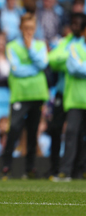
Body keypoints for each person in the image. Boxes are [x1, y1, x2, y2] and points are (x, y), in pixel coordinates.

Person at [1, 12, 49, 180]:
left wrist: (30, 50)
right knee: (14, 129)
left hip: (37, 93)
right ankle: (6, 166)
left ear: (35, 29)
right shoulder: (12, 46)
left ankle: (30, 167)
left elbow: (43, 63)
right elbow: (16, 70)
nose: (29, 31)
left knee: (33, 131)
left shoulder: (40, 45)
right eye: (26, 27)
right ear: (20, 28)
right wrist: (34, 69)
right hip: (20, 94)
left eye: (31, 28)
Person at [47, 13, 84, 178]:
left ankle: (79, 170)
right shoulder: (68, 43)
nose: (74, 27)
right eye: (73, 23)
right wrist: (71, 62)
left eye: (78, 24)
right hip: (70, 95)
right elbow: (53, 59)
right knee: (64, 131)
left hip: (77, 96)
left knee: (78, 134)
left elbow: (76, 67)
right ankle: (61, 169)